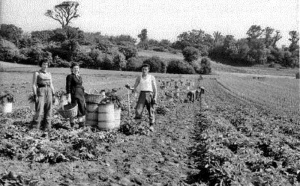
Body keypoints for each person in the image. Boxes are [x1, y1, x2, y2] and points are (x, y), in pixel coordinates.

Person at [132, 63, 158, 131]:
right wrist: (130, 88)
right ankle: (138, 126)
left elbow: (155, 89)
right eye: (143, 69)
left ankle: (151, 125)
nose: (144, 71)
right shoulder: (139, 77)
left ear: (148, 70)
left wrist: (155, 97)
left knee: (151, 110)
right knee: (138, 109)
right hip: (142, 94)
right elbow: (134, 86)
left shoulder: (151, 77)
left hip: (150, 94)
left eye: (146, 69)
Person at [32, 59, 55, 130]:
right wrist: (35, 95)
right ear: (41, 65)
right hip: (41, 90)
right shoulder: (37, 73)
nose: (45, 66)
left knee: (48, 109)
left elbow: (51, 84)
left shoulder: (49, 73)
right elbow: (34, 85)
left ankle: (47, 127)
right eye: (44, 64)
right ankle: (36, 127)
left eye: (46, 64)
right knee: (39, 109)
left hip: (49, 91)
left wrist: (53, 94)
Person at [66, 62, 86, 128]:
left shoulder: (80, 76)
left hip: (81, 94)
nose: (76, 69)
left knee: (81, 108)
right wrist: (69, 96)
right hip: (74, 94)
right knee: (73, 109)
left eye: (77, 68)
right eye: (74, 68)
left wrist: (84, 93)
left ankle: (80, 124)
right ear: (71, 69)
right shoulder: (70, 76)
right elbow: (68, 87)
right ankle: (72, 125)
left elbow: (81, 86)